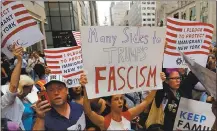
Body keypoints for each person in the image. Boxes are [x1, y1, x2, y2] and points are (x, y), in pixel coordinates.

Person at [80, 73, 158, 130]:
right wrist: (85, 89)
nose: (120, 101)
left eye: (121, 98)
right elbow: (88, 112)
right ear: (109, 103)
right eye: (116, 99)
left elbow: (146, 102)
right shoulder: (104, 121)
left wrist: (157, 84)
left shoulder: (128, 115)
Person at [1, 45, 35, 130]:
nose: (31, 92)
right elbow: (13, 86)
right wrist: (19, 60)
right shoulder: (6, 100)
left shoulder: (26, 99)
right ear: (23, 86)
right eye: (29, 89)